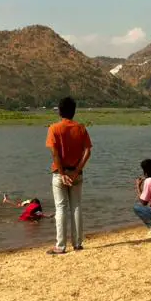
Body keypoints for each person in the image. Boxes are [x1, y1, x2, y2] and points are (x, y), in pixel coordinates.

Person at [45, 96, 93, 255]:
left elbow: (55, 153)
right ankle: (78, 244)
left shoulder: (54, 128)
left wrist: (61, 173)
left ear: (59, 111)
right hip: (76, 173)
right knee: (76, 207)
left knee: (61, 208)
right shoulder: (80, 128)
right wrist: (77, 170)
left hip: (59, 173)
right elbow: (88, 151)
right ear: (74, 111)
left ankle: (60, 246)